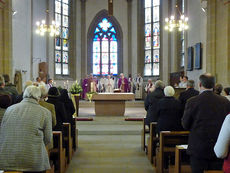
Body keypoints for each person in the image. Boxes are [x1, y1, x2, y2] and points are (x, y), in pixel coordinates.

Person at [182, 73, 230, 173]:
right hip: (218, 148)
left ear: (199, 84)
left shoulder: (192, 101)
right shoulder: (224, 102)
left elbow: (185, 124)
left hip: (198, 148)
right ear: (214, 85)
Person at [0, 85, 52, 172]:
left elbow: (3, 133)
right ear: (38, 97)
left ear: (24, 95)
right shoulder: (44, 112)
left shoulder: (9, 109)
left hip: (7, 159)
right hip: (32, 161)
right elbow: (48, 138)